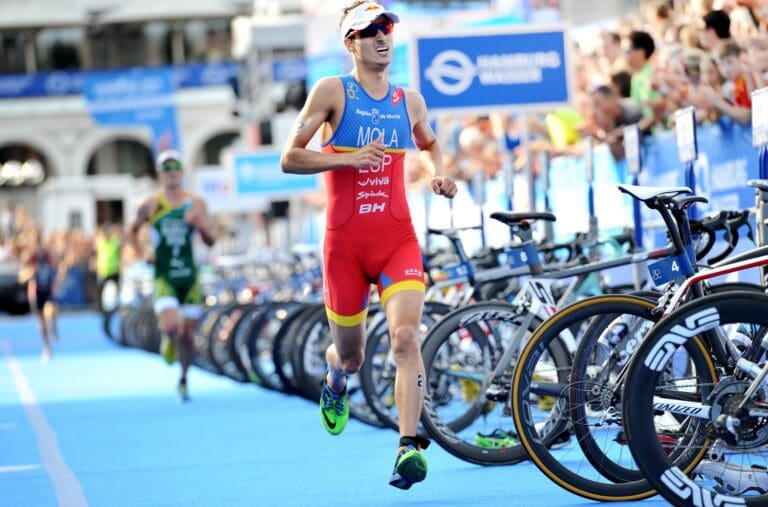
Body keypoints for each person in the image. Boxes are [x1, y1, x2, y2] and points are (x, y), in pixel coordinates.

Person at [280, 1, 457, 490]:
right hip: (344, 249)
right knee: (353, 357)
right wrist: (346, 158)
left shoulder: (410, 100)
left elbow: (428, 145)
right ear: (351, 43)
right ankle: (336, 376)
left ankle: (406, 447)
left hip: (396, 239)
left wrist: (438, 175)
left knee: (405, 338)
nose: (383, 37)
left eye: (388, 28)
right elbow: (289, 158)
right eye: (370, 31)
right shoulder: (333, 91)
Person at [129, 149, 217, 401]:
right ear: (159, 174)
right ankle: (168, 337)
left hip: (189, 275)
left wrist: (200, 225)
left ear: (182, 171)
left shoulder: (197, 203)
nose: (171, 173)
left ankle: (183, 378)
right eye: (166, 169)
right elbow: (131, 232)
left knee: (188, 336)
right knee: (171, 325)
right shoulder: (149, 204)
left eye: (175, 167)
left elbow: (211, 241)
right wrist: (143, 251)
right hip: (164, 274)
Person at [19, 231, 59, 363]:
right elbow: (22, 277)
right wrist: (30, 273)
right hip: (36, 294)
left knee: (50, 310)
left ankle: (52, 325)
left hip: (47, 290)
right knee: (41, 324)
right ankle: (47, 348)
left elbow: (57, 267)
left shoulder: (47, 255)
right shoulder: (29, 257)